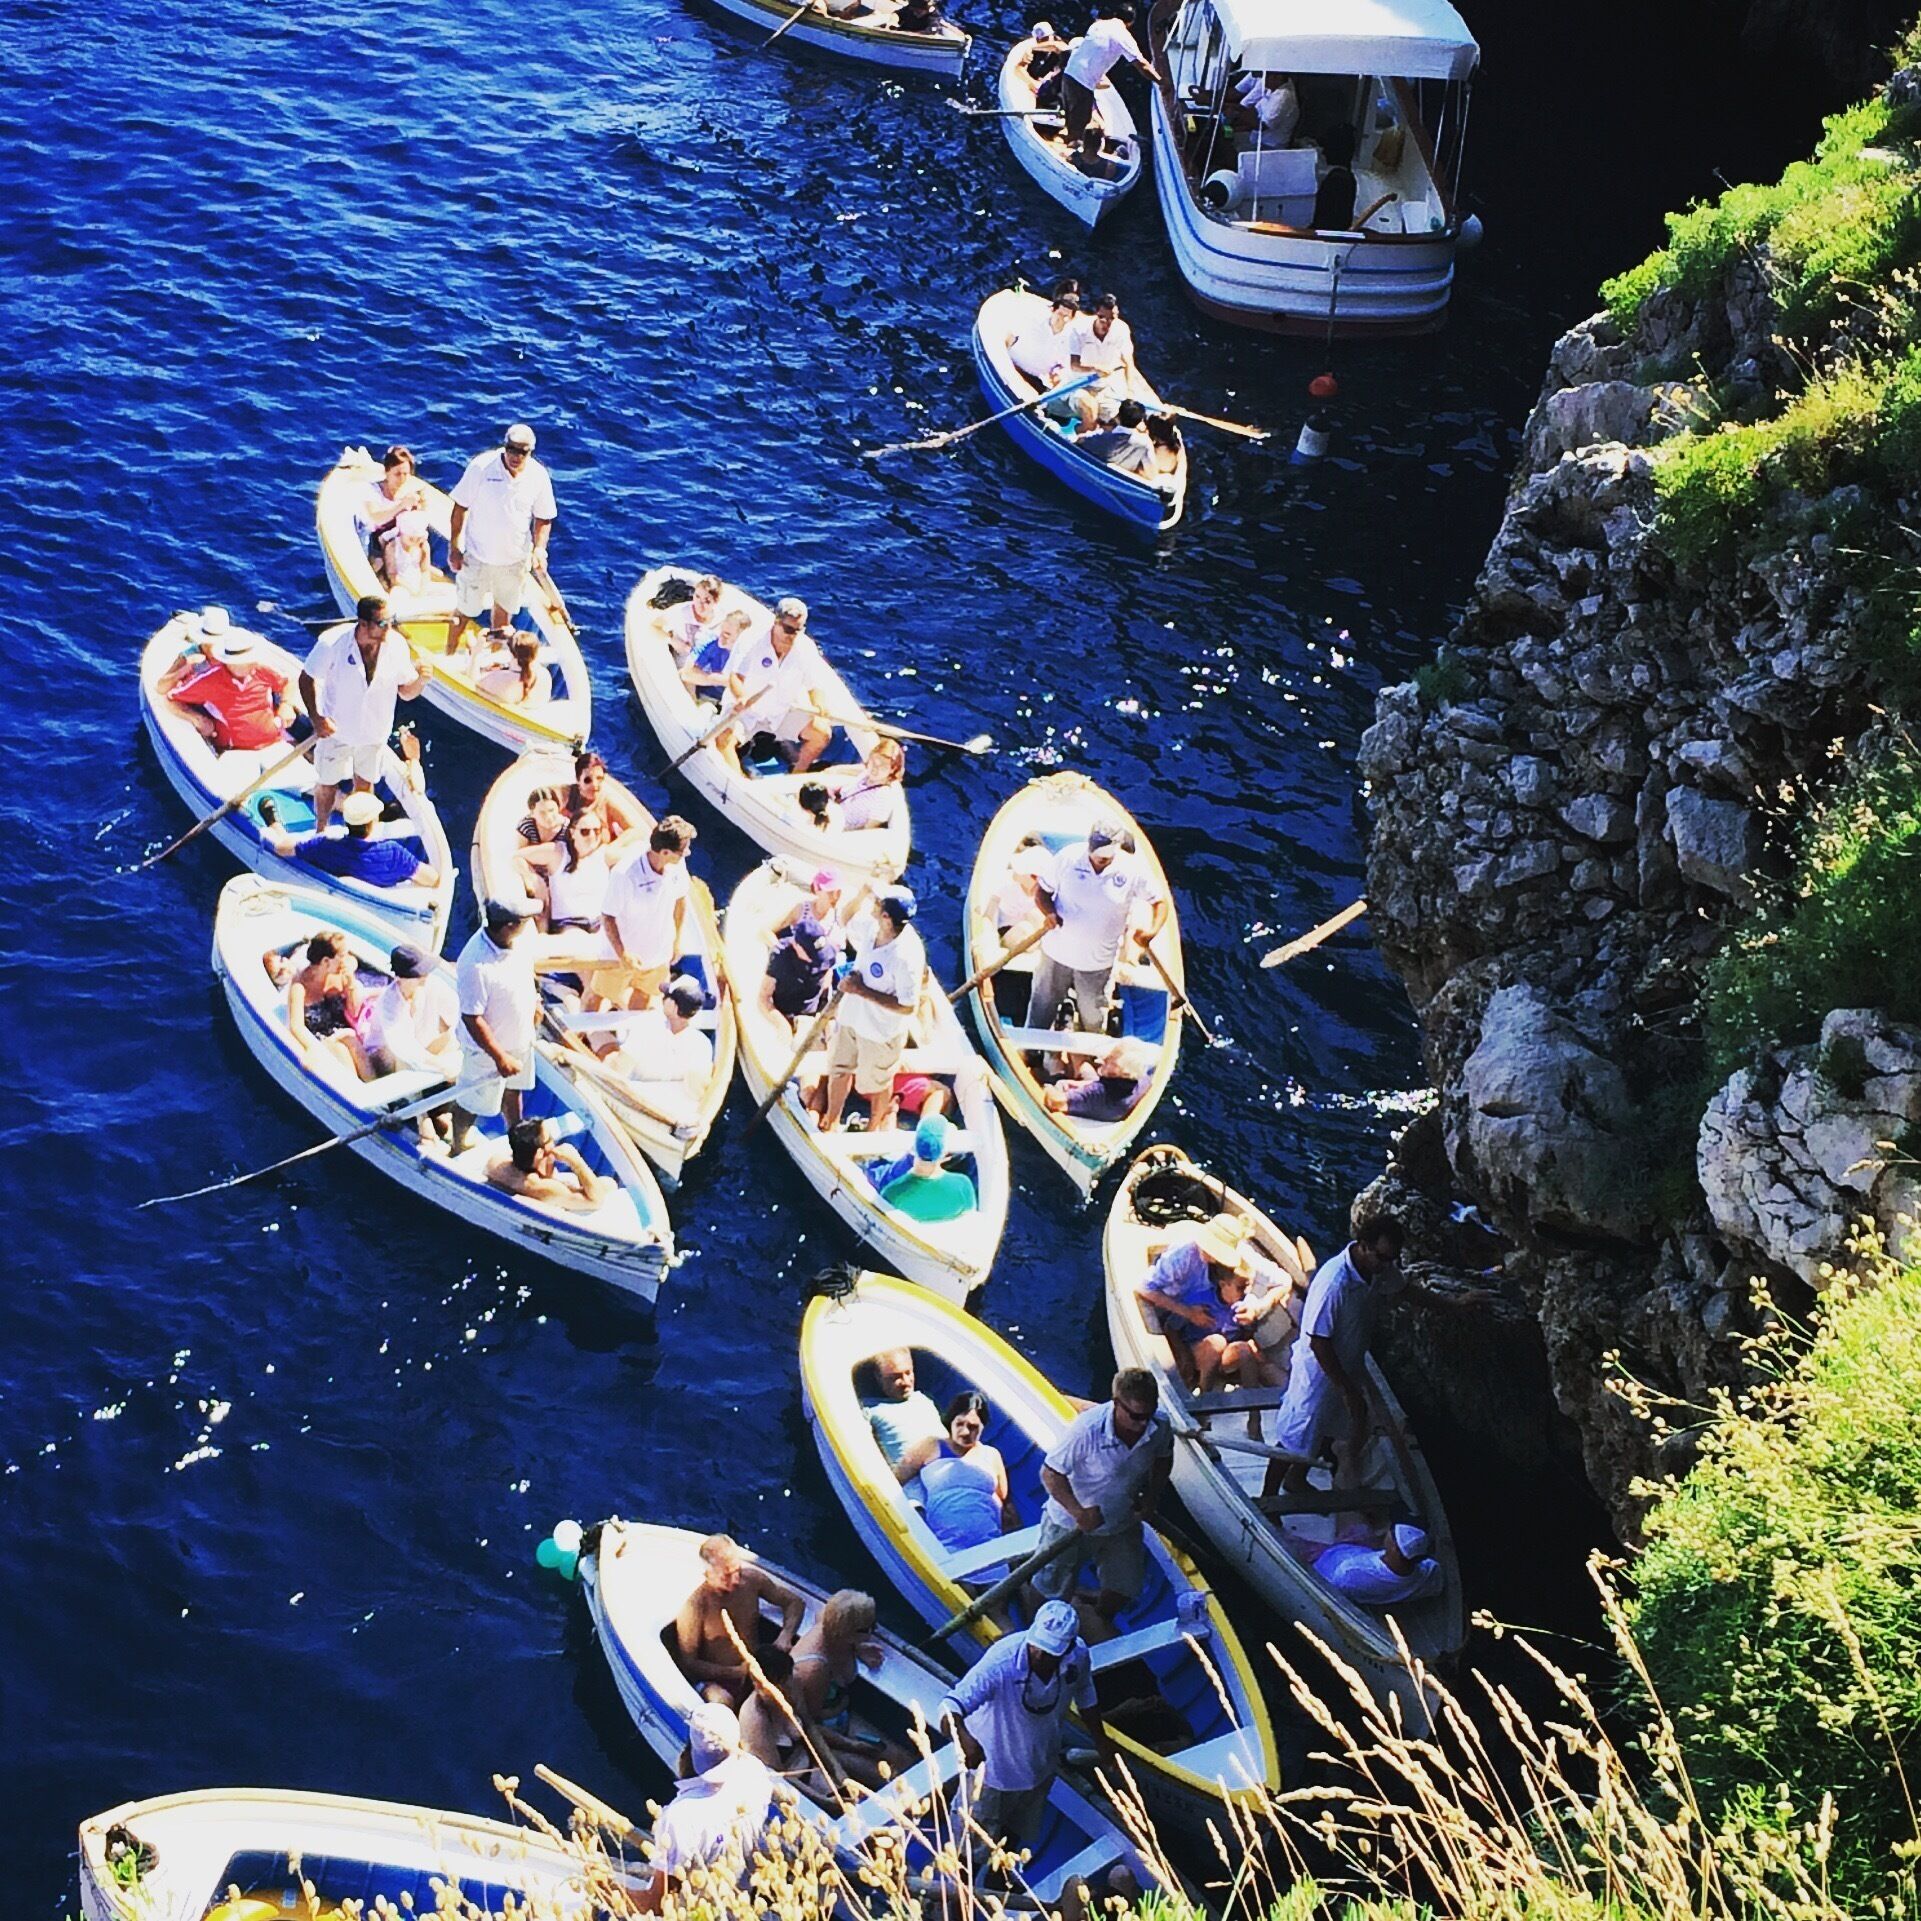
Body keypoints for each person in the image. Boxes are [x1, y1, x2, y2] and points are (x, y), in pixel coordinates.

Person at [937, 1599, 1117, 1846]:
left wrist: (1101, 1740)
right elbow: (950, 1706)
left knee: (1015, 1839)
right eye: (1037, 1647)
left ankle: (999, 1880)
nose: (1040, 1655)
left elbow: (1085, 1692)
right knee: (969, 1847)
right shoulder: (1002, 1661)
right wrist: (964, 1739)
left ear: (1067, 1649)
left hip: (1040, 1767)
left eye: (1050, 1652)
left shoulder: (1079, 1655)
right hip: (990, 1775)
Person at [1268, 1209, 1406, 1498]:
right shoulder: (1334, 1284)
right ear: (1363, 1245)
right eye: (1381, 1257)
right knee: (1296, 1434)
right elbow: (1319, 1342)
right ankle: (1268, 1497)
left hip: (1349, 1363)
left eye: (1390, 1260)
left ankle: (1297, 1479)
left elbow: (1404, 1289)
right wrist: (1347, 1389)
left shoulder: (1377, 1269)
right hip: (1319, 1373)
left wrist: (1454, 1305)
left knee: (1326, 1426)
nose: (1385, 1265)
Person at [1031, 1367, 1173, 1637]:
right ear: (1116, 1404)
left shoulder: (1160, 1426)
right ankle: (1037, 1631)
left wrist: (1152, 1498)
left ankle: (1098, 1617)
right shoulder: (1086, 1430)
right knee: (1051, 1586)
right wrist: (1078, 1512)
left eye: (1148, 1415)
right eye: (1135, 1416)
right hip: (1070, 1523)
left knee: (1126, 1586)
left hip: (1121, 1519)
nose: (1143, 1424)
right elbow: (1050, 1472)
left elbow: (1164, 1458)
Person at [299, 594, 429, 833]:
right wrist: (317, 718)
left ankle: (363, 836)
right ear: (364, 623)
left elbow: (406, 693)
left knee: (365, 786)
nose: (389, 627)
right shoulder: (332, 643)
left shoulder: (397, 645)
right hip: (335, 732)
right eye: (383, 623)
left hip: (373, 733)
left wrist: (421, 681)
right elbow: (307, 678)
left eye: (391, 620)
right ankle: (321, 829)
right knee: (327, 784)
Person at [636, 1702, 779, 1916]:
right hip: (740, 1903)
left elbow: (656, 1904)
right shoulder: (755, 1772)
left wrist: (605, 1887)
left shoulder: (680, 1817)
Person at [1029, 822, 1166, 1034]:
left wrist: (1152, 932)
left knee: (1093, 1019)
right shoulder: (1068, 858)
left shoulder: (1133, 871)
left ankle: (1088, 1054)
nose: (1097, 860)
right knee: (1041, 1008)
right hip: (1055, 955)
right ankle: (1031, 1050)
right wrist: (1049, 913)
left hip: (1097, 964)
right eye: (1095, 855)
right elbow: (1042, 893)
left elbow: (1159, 902)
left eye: (1103, 858)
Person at [1134, 1212, 1289, 1396]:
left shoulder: (1243, 1267)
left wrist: (1259, 1308)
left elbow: (1283, 1281)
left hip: (1226, 1339)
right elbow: (1144, 1288)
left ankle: (1258, 1409)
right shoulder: (1183, 1256)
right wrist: (1188, 1313)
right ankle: (1202, 1394)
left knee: (1252, 1356)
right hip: (1182, 1314)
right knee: (1215, 1344)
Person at [819, 889, 924, 1137]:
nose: (871, 904)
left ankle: (874, 1127)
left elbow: (908, 1005)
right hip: (851, 1018)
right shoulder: (871, 927)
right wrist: (862, 891)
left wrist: (861, 990)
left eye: (876, 902)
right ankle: (832, 1121)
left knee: (877, 1083)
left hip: (880, 1032)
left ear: (886, 916)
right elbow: (846, 918)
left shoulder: (906, 955)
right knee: (839, 1069)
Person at [446, 422, 556, 646]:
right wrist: (454, 547)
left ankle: (495, 661)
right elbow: (460, 508)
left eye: (522, 451)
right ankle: (448, 653)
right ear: (504, 446)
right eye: (511, 449)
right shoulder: (481, 467)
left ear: (530, 452)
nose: (515, 456)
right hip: (477, 557)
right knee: (464, 612)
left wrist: (540, 549)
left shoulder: (538, 476)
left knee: (503, 618)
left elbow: (544, 518)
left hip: (514, 562)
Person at [787, 1589, 907, 1791]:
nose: (873, 1632)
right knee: (891, 1779)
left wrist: (858, 1649)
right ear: (847, 1632)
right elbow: (807, 1725)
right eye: (868, 1629)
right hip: (825, 1737)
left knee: (904, 1761)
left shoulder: (829, 1619)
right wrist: (851, 1745)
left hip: (844, 1717)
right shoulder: (814, 1669)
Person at [673, 1534, 806, 1706]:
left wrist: (785, 1636)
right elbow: (688, 1664)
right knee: (722, 1700)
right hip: (717, 1679)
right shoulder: (696, 1607)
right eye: (726, 1575)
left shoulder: (752, 1581)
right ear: (708, 1574)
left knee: (797, 1683)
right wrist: (735, 1672)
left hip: (755, 1668)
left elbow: (794, 1602)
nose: (735, 1580)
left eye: (737, 1571)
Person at [449, 897, 538, 1154]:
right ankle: (458, 1147)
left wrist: (535, 1005)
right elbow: (472, 1018)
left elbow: (525, 978)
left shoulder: (517, 942)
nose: (529, 924)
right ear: (509, 925)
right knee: (470, 1103)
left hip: (521, 1040)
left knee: (514, 1092)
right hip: (488, 1052)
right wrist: (499, 1057)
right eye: (524, 921)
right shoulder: (475, 964)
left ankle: (517, 1142)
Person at [713, 597, 834, 777]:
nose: (792, 635)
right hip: (746, 710)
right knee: (723, 738)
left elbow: (815, 685)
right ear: (776, 622)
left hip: (781, 711)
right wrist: (742, 697)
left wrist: (820, 706)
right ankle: (739, 782)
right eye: (788, 629)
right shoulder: (752, 639)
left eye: (798, 630)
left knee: (821, 734)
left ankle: (796, 776)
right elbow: (735, 677)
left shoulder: (805, 648)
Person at [894, 1390, 1015, 1564]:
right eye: (960, 1424)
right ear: (951, 1421)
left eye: (973, 1427)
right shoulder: (931, 1446)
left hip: (988, 1542)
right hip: (944, 1543)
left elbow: (1002, 1496)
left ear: (983, 1427)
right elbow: (896, 1479)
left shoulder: (991, 1455)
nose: (965, 1432)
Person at [590, 816, 697, 1011]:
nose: (687, 853)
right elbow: (608, 916)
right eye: (683, 851)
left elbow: (681, 900)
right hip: (620, 955)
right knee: (598, 995)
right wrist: (623, 954)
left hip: (658, 953)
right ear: (665, 852)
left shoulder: (677, 865)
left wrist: (677, 940)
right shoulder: (624, 874)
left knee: (644, 994)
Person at [158, 609, 295, 753]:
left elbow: (289, 682)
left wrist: (287, 705)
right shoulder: (194, 661)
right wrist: (185, 668)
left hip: (266, 733)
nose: (213, 645)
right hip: (206, 705)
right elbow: (164, 691)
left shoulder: (246, 659)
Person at [262, 787, 442, 891]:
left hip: (337, 884)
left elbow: (281, 848)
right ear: (374, 821)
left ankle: (274, 823)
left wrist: (277, 829)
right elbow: (433, 879)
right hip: (374, 896)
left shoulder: (325, 845)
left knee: (284, 839)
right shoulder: (395, 854)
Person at [600, 975, 716, 1123]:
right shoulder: (702, 1044)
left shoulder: (646, 1027)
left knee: (608, 1053)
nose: (663, 997)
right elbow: (696, 1089)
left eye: (666, 996)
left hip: (638, 1103)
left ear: (674, 1006)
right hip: (678, 1113)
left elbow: (619, 1069)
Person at [519, 810, 641, 935]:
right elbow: (516, 857)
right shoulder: (557, 853)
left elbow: (641, 850)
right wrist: (532, 879)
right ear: (572, 832)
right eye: (585, 831)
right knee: (578, 941)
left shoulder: (605, 855)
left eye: (597, 831)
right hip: (568, 923)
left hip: (600, 921)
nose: (592, 836)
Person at [283, 929, 377, 1081]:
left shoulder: (341, 976)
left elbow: (353, 1010)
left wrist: (351, 982)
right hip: (319, 1038)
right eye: (342, 956)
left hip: (342, 1032)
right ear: (326, 961)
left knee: (352, 1043)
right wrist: (312, 1047)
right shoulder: (300, 986)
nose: (346, 960)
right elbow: (296, 1025)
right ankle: (355, 1092)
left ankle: (378, 1091)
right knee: (341, 1052)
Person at [1060, 2, 1158, 147]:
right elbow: (1142, 65)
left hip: (1069, 76)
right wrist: (1161, 81)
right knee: (1078, 130)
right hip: (1082, 84)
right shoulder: (1123, 35)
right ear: (1130, 23)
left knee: (1073, 120)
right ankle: (1071, 152)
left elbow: (1095, 51)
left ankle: (1070, 139)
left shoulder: (1097, 25)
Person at [364, 942, 460, 1083]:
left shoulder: (433, 985)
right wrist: (439, 1065)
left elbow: (457, 1011)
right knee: (400, 1058)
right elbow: (403, 1048)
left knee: (453, 1038)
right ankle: (407, 1100)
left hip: (420, 1051)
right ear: (400, 978)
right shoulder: (388, 1004)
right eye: (418, 973)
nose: (424, 977)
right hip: (386, 1059)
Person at [486, 1116, 613, 1209]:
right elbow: (596, 1200)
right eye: (550, 1139)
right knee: (609, 1183)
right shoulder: (546, 1188)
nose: (554, 1141)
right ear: (540, 1154)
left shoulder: (497, 1163)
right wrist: (577, 1163)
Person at [875, 1112, 977, 1223]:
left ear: (913, 1148)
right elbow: (968, 1219)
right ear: (945, 1154)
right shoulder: (963, 1185)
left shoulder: (891, 1192)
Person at [1306, 1523, 1442, 1607]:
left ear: (1394, 1548)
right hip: (1355, 1551)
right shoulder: (1429, 1571)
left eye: (1392, 1533)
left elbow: (1336, 1585)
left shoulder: (1352, 1572)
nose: (1389, 1531)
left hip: (1323, 1561)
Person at [1064, 292, 1143, 427]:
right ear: (1096, 314)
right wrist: (1095, 368)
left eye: (1112, 319)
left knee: (1122, 420)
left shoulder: (1122, 329)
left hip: (1104, 387)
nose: (1107, 323)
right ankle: (1083, 439)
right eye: (1102, 318)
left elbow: (1128, 362)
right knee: (1091, 410)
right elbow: (1074, 365)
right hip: (1077, 384)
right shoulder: (1079, 329)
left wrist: (1130, 390)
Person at [761, 903, 839, 1033]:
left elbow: (828, 973)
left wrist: (823, 1008)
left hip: (811, 1012)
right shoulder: (781, 957)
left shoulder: (827, 953)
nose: (816, 959)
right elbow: (763, 997)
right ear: (796, 946)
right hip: (786, 1010)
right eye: (810, 954)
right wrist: (781, 1024)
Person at [862, 1346, 944, 1468]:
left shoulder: (923, 1400)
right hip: (911, 1479)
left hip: (948, 1466)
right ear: (878, 1377)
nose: (905, 1382)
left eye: (908, 1373)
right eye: (895, 1377)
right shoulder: (868, 1410)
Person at [361, 445, 431, 588]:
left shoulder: (411, 490)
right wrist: (401, 506)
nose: (402, 479)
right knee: (379, 567)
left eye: (406, 474)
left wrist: (421, 507)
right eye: (397, 474)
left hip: (404, 539)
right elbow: (375, 517)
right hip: (379, 540)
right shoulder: (373, 491)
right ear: (387, 472)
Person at [1042, 1038, 1153, 1123]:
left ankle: (1054, 1056)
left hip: (1088, 1104)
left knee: (1056, 1074)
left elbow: (1055, 1101)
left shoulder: (1096, 1093)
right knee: (1080, 1060)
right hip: (1104, 1102)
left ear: (1124, 1072)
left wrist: (1047, 1088)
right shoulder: (1142, 1082)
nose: (1104, 1059)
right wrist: (1084, 1084)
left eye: (1112, 1061)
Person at [1005, 283, 1081, 390]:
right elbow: (1009, 337)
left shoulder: (1072, 338)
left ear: (1072, 317)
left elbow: (1064, 365)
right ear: (1053, 310)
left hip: (1037, 381)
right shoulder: (1034, 318)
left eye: (1066, 316)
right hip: (1012, 367)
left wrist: (1058, 373)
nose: (1062, 319)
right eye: (1059, 314)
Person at [827, 738, 906, 834]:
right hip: (831, 810)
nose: (875, 769)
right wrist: (835, 770)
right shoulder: (866, 775)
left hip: (837, 826)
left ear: (892, 769)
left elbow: (868, 828)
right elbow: (860, 769)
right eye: (873, 762)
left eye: (882, 766)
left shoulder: (883, 797)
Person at [567, 748, 647, 841]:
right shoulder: (568, 794)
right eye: (587, 780)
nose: (595, 785)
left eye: (599, 778)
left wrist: (611, 850)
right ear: (578, 780)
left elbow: (634, 830)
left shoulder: (607, 803)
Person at [470, 627, 550, 707]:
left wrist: (475, 653)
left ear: (511, 652)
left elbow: (472, 684)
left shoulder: (500, 678)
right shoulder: (545, 676)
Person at [682, 606, 751, 694]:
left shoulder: (747, 656)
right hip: (705, 691)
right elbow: (686, 673)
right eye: (722, 631)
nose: (721, 637)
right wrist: (724, 681)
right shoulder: (710, 642)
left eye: (727, 635)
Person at [1077, 397, 1154, 474]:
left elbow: (1078, 440)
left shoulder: (1099, 437)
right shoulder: (1145, 443)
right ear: (1140, 421)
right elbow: (1151, 473)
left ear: (1118, 417)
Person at [1228, 69, 1299, 145]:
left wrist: (1236, 114)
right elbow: (1253, 110)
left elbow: (1262, 125)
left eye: (1266, 76)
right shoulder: (1271, 87)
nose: (1262, 79)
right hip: (1255, 137)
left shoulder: (1283, 97)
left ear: (1278, 77)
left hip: (1269, 144)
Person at [666, 573, 726, 664]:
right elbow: (655, 625)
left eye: (707, 601)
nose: (700, 604)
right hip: (683, 665)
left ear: (716, 601)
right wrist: (673, 641)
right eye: (697, 597)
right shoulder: (681, 612)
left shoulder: (721, 618)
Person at [1312, 122, 1360, 231]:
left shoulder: (1337, 182)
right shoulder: (1346, 177)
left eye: (1327, 148)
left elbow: (1326, 224)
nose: (1323, 153)